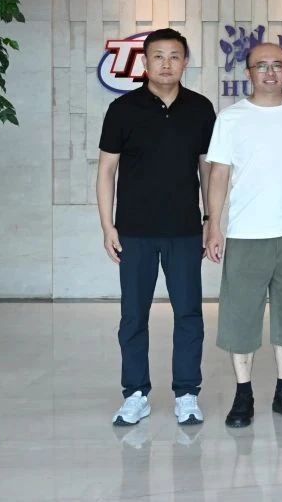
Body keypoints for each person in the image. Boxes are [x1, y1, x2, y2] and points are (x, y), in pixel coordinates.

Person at [96, 27, 215, 427]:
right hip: (134, 231)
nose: (166, 64)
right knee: (133, 316)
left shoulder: (200, 108)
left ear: (185, 61)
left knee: (189, 314)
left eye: (175, 56)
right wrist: (107, 225)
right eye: (158, 56)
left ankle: (187, 393)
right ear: (144, 62)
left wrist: (211, 220)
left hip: (185, 230)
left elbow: (207, 169)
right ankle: (135, 394)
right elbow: (106, 170)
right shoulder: (123, 109)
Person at [204, 42, 282, 427]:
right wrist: (214, 224)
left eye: (278, 65)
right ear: (248, 72)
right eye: (261, 66)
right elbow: (219, 174)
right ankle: (243, 393)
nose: (270, 72)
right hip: (245, 233)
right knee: (240, 316)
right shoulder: (231, 118)